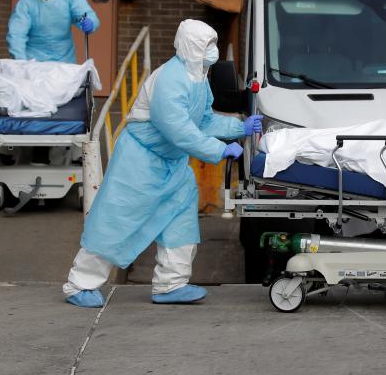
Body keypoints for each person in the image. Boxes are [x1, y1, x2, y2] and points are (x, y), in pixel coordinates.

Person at [63, 19, 263, 307]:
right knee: (117, 221)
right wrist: (218, 150)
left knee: (181, 221)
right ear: (192, 46)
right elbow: (178, 129)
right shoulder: (171, 78)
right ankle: (79, 285)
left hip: (172, 163)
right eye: (207, 45)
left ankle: (171, 284)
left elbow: (203, 120)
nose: (213, 51)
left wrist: (239, 128)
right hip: (140, 161)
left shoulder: (199, 77)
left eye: (213, 44)